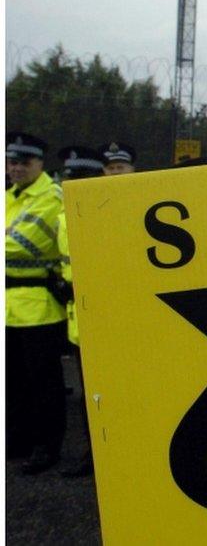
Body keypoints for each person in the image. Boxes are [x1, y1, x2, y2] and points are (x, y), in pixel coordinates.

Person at [5, 132, 68, 475]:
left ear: (40, 164)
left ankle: (47, 446)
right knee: (13, 382)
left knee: (42, 384)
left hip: (39, 306)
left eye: (23, 162)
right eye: (11, 161)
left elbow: (21, 243)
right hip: (10, 305)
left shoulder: (49, 195)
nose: (15, 168)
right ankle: (18, 441)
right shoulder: (12, 196)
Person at [54, 146, 105, 478]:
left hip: (108, 318)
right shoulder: (62, 216)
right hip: (78, 322)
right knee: (91, 399)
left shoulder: (108, 210)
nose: (76, 183)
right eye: (72, 177)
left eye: (83, 177)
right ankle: (93, 456)